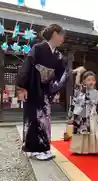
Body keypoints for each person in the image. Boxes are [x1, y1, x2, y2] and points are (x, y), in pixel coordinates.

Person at [16, 24, 84, 160]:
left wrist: (75, 72)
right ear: (54, 34)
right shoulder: (38, 48)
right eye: (61, 36)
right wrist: (22, 87)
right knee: (32, 119)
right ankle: (33, 149)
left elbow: (61, 73)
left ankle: (42, 148)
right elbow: (27, 67)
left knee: (44, 120)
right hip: (33, 87)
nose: (62, 39)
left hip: (45, 91)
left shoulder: (58, 55)